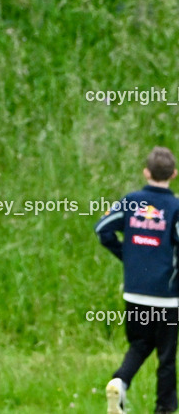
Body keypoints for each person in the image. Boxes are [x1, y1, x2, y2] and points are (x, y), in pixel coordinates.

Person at [96, 146, 179, 414]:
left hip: (135, 292)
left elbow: (102, 229)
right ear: (174, 174)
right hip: (167, 296)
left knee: (140, 343)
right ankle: (164, 407)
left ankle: (120, 382)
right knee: (166, 355)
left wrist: (128, 256)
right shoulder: (176, 207)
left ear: (146, 172)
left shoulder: (131, 202)